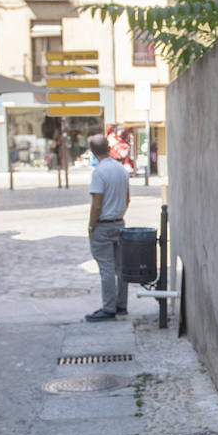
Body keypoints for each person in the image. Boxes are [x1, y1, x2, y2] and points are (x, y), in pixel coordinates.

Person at [84, 133, 129, 322]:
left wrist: (91, 226)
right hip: (119, 223)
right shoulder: (121, 169)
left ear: (93, 152)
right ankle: (121, 305)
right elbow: (127, 199)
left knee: (106, 268)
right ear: (108, 147)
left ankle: (109, 308)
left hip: (103, 226)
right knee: (120, 267)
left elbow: (97, 204)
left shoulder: (99, 172)